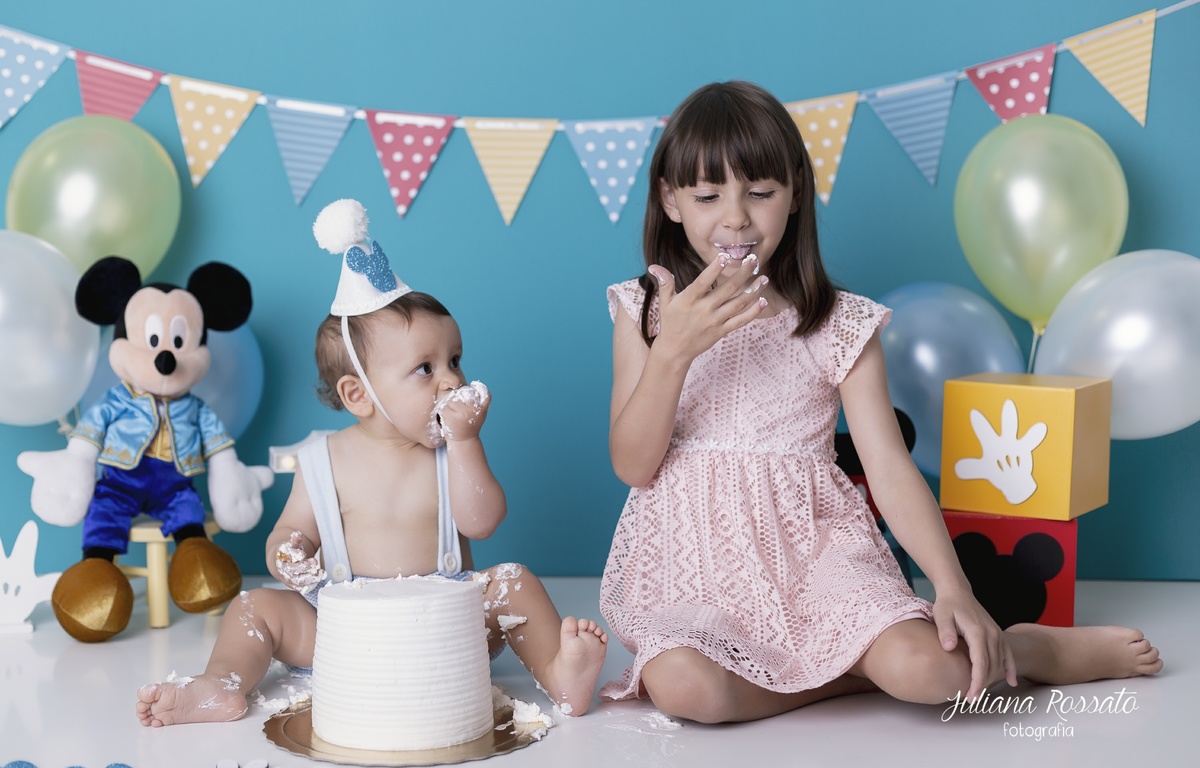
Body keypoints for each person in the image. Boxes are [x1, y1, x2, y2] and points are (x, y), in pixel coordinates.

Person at [601, 81, 1161, 724]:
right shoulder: (645, 309)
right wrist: (673, 352)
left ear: (795, 194)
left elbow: (892, 474)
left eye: (760, 192)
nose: (735, 217)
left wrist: (954, 587)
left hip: (815, 562)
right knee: (684, 689)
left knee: (937, 670)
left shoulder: (835, 322)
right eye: (707, 196)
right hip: (695, 571)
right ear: (670, 200)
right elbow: (633, 465)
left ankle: (1024, 648)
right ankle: (851, 676)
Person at [136, 200, 607, 727]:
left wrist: (468, 442)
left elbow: (482, 521)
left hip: (448, 630)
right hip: (342, 633)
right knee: (253, 608)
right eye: (425, 369)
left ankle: (561, 673)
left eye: (455, 359)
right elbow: (292, 533)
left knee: (514, 581)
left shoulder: (453, 451)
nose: (452, 380)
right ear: (358, 395)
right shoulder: (322, 461)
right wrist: (286, 552)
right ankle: (219, 686)